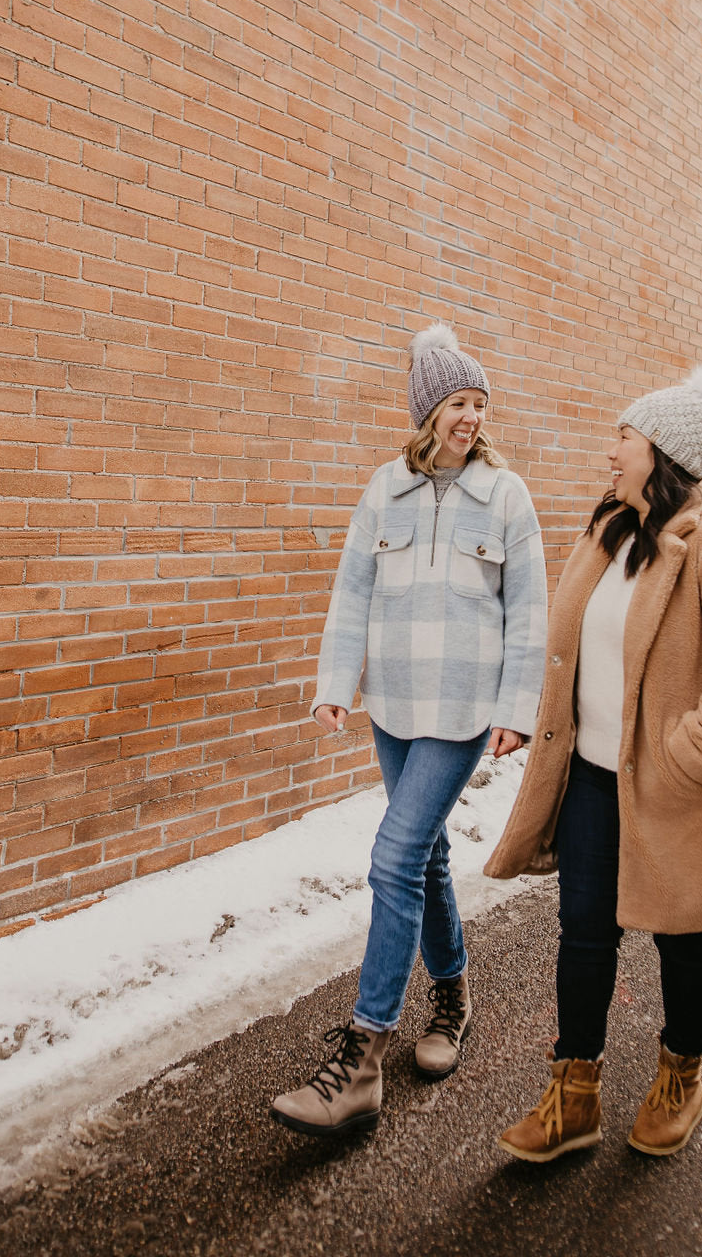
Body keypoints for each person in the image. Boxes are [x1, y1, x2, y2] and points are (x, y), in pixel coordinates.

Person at [485, 363, 702, 1162]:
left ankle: (681, 1074)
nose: (610, 451)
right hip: (591, 777)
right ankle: (572, 1094)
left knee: (684, 940)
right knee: (582, 936)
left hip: (677, 787)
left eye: (624, 436)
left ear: (662, 450)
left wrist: (686, 757)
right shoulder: (606, 532)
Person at [270, 322, 547, 1138]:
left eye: (478, 403)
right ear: (428, 412)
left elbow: (528, 612)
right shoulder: (382, 488)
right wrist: (335, 685)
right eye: (458, 402)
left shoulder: (506, 495)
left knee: (392, 857)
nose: (471, 416)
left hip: (462, 711)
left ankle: (361, 1056)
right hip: (394, 704)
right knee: (422, 857)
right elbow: (351, 593)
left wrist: (515, 709)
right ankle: (454, 995)